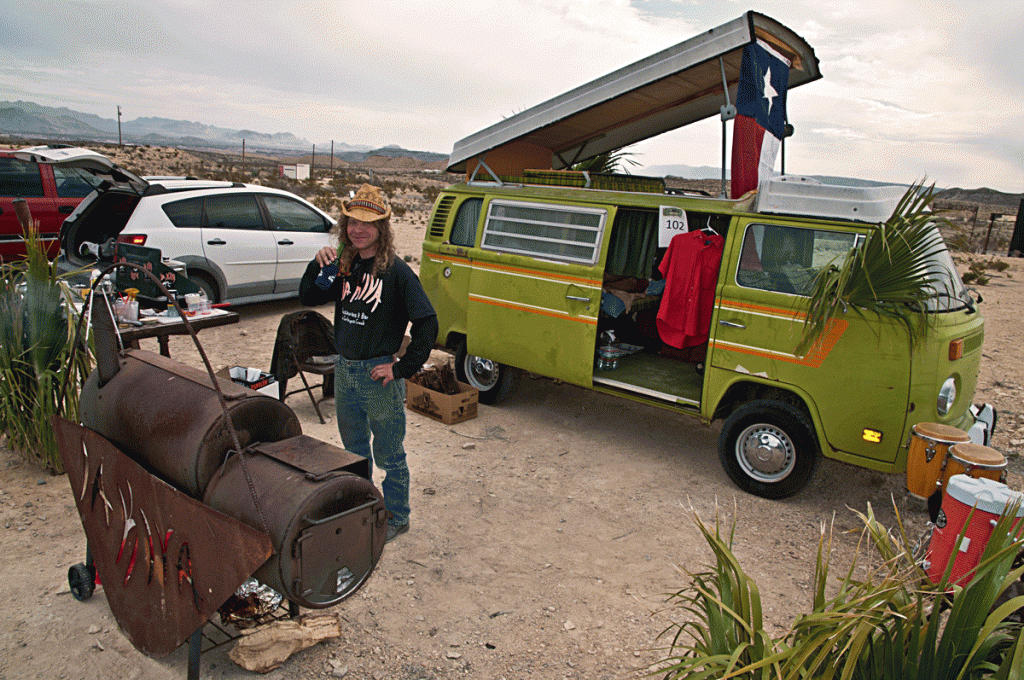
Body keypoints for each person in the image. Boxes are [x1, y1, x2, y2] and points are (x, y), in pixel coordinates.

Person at [299, 184, 437, 543]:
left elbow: (427, 324)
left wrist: (401, 368)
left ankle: (396, 517)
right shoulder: (344, 265)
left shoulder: (397, 273)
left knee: (389, 454)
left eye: (368, 223)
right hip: (345, 371)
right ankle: (361, 511)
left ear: (382, 229)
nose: (358, 230)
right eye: (352, 223)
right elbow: (308, 295)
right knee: (353, 452)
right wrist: (316, 265)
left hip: (379, 376)